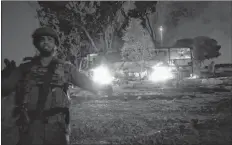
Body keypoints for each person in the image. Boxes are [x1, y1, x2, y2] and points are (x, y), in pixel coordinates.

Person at [2, 27, 100, 145]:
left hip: (57, 127)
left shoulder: (66, 69)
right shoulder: (24, 69)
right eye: (42, 39)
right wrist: (4, 76)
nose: (46, 42)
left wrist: (102, 87)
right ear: (36, 44)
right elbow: (5, 88)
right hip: (31, 127)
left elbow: (87, 83)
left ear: (55, 45)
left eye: (50, 39)